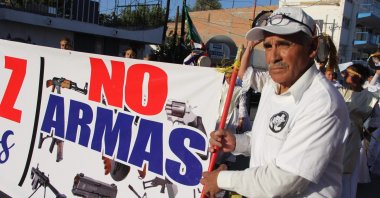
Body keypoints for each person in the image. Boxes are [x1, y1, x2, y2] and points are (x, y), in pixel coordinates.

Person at [200, 7, 350, 198]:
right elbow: (264, 140)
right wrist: (236, 142)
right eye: (268, 46)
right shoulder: (272, 86)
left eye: (284, 44)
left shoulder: (323, 102)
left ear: (312, 48)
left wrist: (221, 180)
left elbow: (285, 180)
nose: (273, 56)